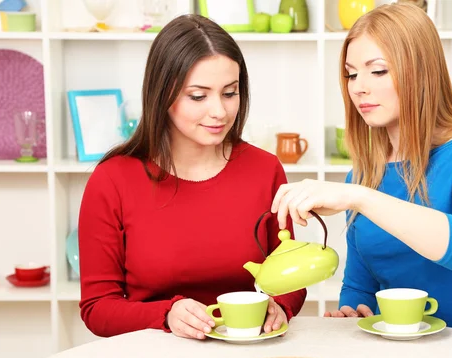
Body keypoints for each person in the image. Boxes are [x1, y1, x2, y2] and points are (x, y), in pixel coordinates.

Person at [270, 3, 452, 351]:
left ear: (420, 72)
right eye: (352, 74)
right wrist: (354, 313)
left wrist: (359, 197)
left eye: (377, 71)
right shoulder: (365, 173)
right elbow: (360, 287)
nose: (358, 88)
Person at [78, 14, 306, 340]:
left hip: (244, 353)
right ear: (162, 94)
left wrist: (279, 305)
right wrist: (165, 314)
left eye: (230, 93)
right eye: (198, 96)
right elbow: (97, 308)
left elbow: (290, 278)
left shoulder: (265, 170)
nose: (220, 111)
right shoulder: (112, 180)